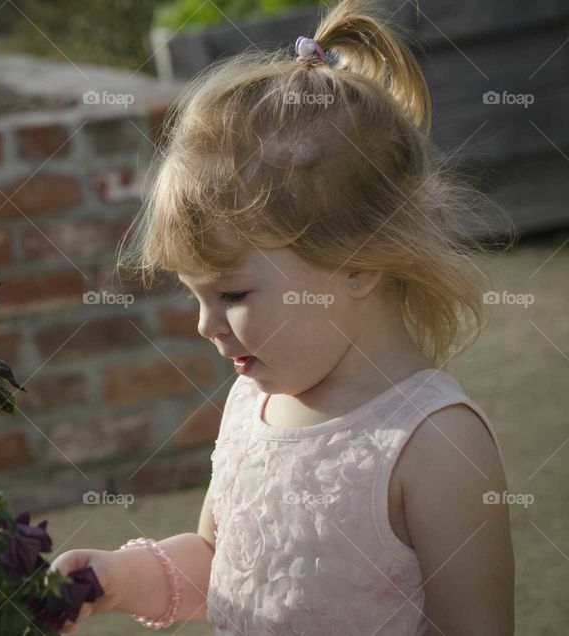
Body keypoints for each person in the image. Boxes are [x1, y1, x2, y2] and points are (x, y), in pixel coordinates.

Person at [49, 0, 517, 633]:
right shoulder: (253, 403)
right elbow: (221, 563)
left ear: (358, 262)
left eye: (233, 295)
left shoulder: (435, 445)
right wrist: (120, 578)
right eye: (196, 295)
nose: (204, 324)